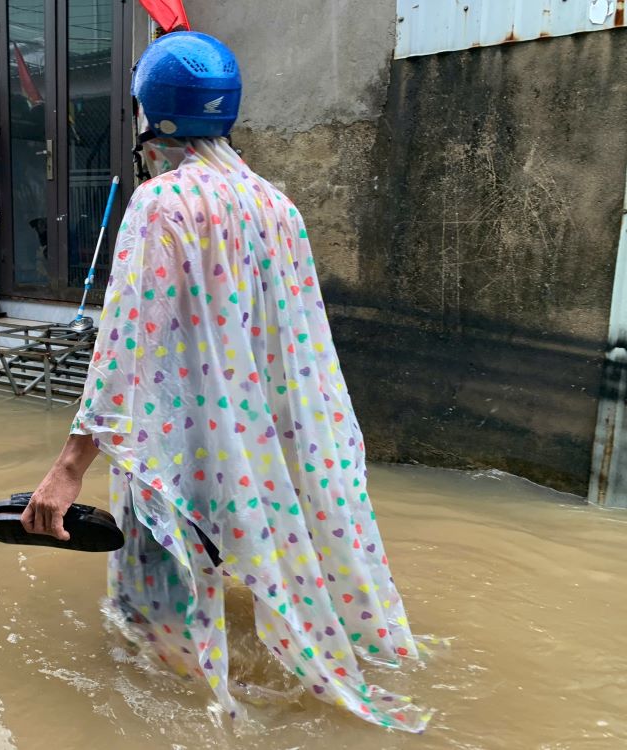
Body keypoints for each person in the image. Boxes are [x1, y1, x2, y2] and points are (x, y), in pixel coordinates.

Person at [22, 31, 431, 732]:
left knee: (148, 621)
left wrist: (67, 469)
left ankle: (175, 708)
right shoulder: (279, 207)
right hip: (266, 443)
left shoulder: (161, 205)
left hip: (180, 446)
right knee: (244, 566)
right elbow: (298, 343)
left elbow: (123, 346)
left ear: (152, 117)